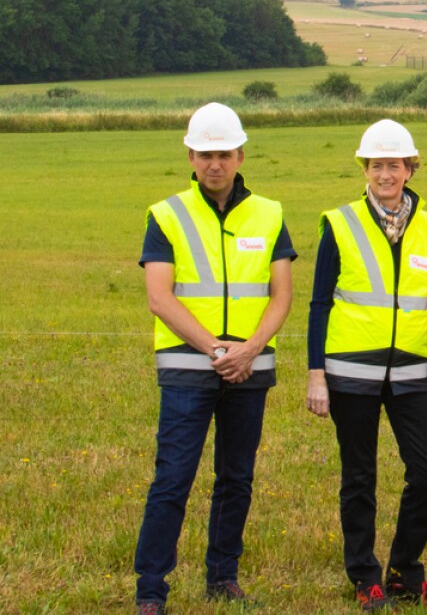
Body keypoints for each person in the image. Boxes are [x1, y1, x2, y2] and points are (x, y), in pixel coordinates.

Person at [134, 102, 295, 615]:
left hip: (249, 368)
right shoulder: (167, 214)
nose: (214, 164)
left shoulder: (269, 214)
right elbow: (160, 297)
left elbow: (282, 295)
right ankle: (151, 589)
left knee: (236, 478)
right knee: (173, 477)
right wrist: (215, 348)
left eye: (223, 154)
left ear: (241, 154)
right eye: (205, 154)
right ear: (190, 155)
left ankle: (222, 577)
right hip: (188, 367)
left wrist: (248, 350)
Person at [306, 119, 427, 611]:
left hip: (411, 374)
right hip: (350, 372)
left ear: (410, 169)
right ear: (365, 169)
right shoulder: (340, 222)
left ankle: (403, 574)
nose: (385, 174)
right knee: (359, 477)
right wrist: (315, 374)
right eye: (376, 165)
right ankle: (364, 578)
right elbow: (318, 304)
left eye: (394, 165)